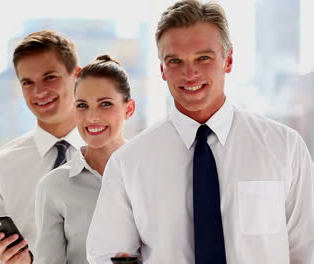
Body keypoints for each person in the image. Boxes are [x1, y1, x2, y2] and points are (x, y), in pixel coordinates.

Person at [86, 1, 314, 264]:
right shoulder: (128, 164)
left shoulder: (285, 148)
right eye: (175, 61)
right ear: (162, 68)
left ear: (228, 60)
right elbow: (108, 256)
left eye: (203, 58)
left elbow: (306, 251)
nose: (190, 73)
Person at [0, 30, 84, 264]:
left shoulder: (115, 159)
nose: (39, 92)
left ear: (77, 76)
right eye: (28, 82)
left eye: (50, 77)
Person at [32, 55, 135, 264]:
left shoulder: (154, 174)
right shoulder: (54, 187)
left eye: (105, 104)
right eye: (82, 105)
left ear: (129, 109)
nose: (92, 117)